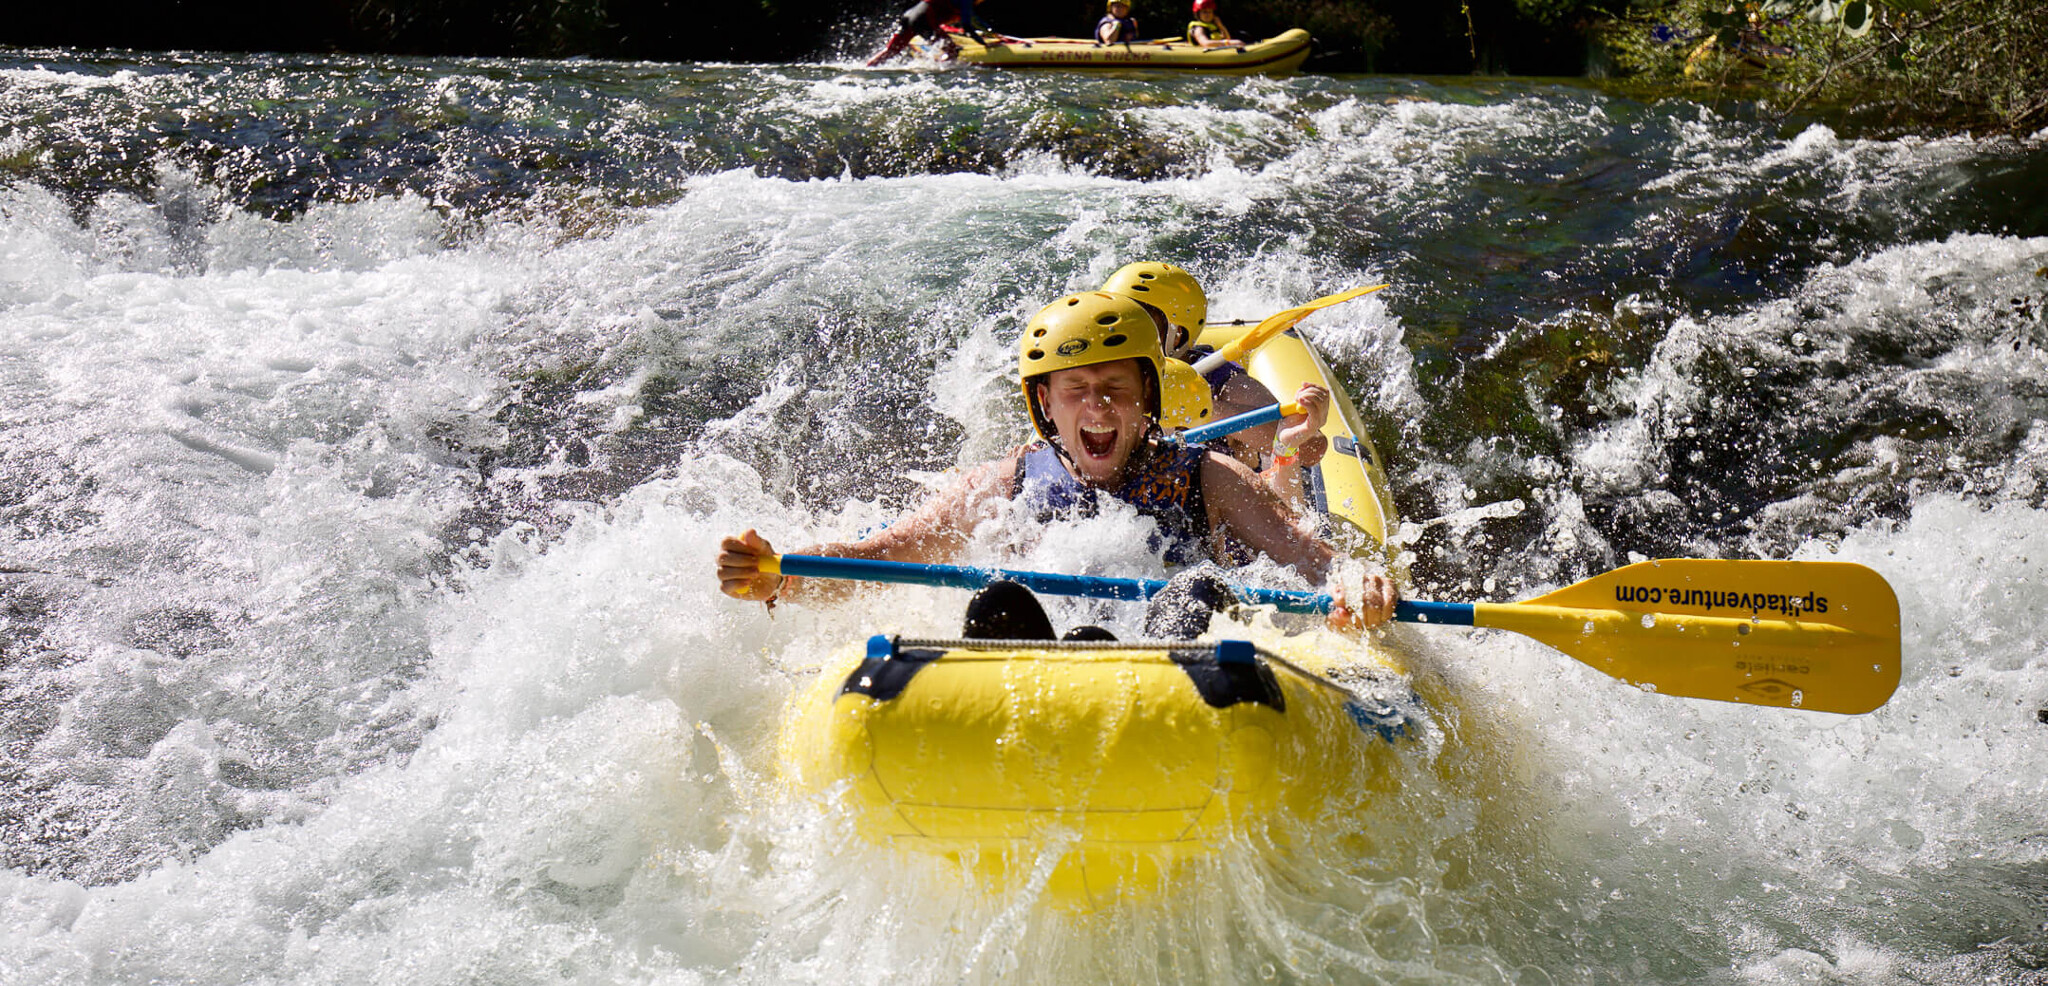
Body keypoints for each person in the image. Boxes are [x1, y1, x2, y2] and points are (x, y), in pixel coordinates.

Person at [717, 291, 1398, 638]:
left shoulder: (1210, 478)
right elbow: (888, 551)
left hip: (1174, 673)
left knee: (1192, 593)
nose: (1097, 406)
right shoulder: (1004, 483)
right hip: (1044, 676)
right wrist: (784, 576)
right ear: (1046, 403)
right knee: (999, 603)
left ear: (1147, 401)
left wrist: (1359, 586)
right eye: (1077, 390)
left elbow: (1314, 556)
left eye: (1117, 389)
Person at [1100, 261, 1329, 511]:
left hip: (1225, 513)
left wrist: (1203, 408)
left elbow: (1311, 449)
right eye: (1117, 327)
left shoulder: (1223, 383)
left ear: (1178, 336)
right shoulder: (1098, 378)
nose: (1124, 340)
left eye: (1140, 328)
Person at [866, 0, 992, 67]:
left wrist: (989, 32)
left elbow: (974, 20)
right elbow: (967, 26)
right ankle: (940, 71)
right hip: (923, 19)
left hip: (910, 16)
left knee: (890, 51)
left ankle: (868, 68)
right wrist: (983, 43)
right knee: (952, 51)